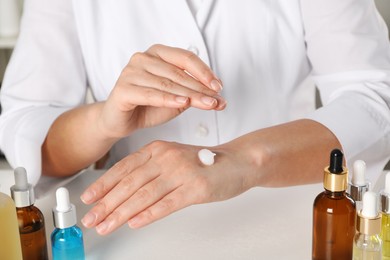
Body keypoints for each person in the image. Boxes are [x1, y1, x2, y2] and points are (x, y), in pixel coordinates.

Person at [1, 0, 390, 236]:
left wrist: (245, 159)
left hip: (291, 217)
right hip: (136, 226)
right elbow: (28, 135)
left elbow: (373, 97)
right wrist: (105, 121)